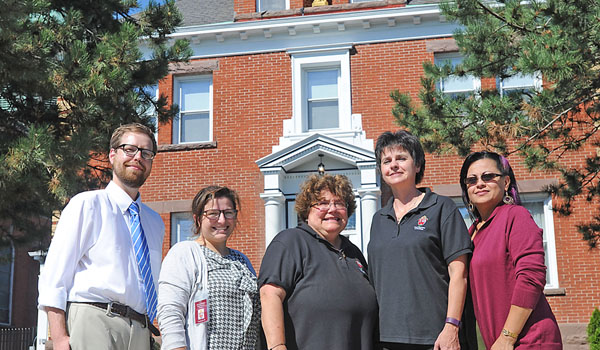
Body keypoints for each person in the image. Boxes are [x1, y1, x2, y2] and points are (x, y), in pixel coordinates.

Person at [38, 123, 164, 350]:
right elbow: (54, 276)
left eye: (146, 153)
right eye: (130, 149)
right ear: (112, 155)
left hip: (141, 329)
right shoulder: (87, 205)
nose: (138, 157)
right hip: (95, 319)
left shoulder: (155, 222)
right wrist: (58, 337)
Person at [368, 130, 476, 350]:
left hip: (434, 338)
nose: (393, 165)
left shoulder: (442, 208)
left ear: (417, 165)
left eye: (401, 158)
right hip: (385, 338)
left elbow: (459, 274)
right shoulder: (378, 219)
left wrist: (451, 327)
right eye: (386, 161)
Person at [259, 174, 378, 350]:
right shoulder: (291, 242)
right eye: (322, 203)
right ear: (307, 210)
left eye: (339, 203)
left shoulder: (354, 253)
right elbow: (270, 295)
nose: (332, 209)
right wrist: (278, 346)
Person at [459, 151, 562, 349]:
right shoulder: (472, 232)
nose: (479, 183)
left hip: (527, 340)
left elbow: (531, 276)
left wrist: (507, 337)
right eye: (471, 180)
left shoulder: (516, 216)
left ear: (505, 183)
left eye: (488, 177)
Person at [157, 186, 260, 350]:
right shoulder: (185, 253)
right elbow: (170, 312)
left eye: (228, 213)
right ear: (198, 219)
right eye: (213, 214)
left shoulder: (243, 261)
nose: (222, 220)